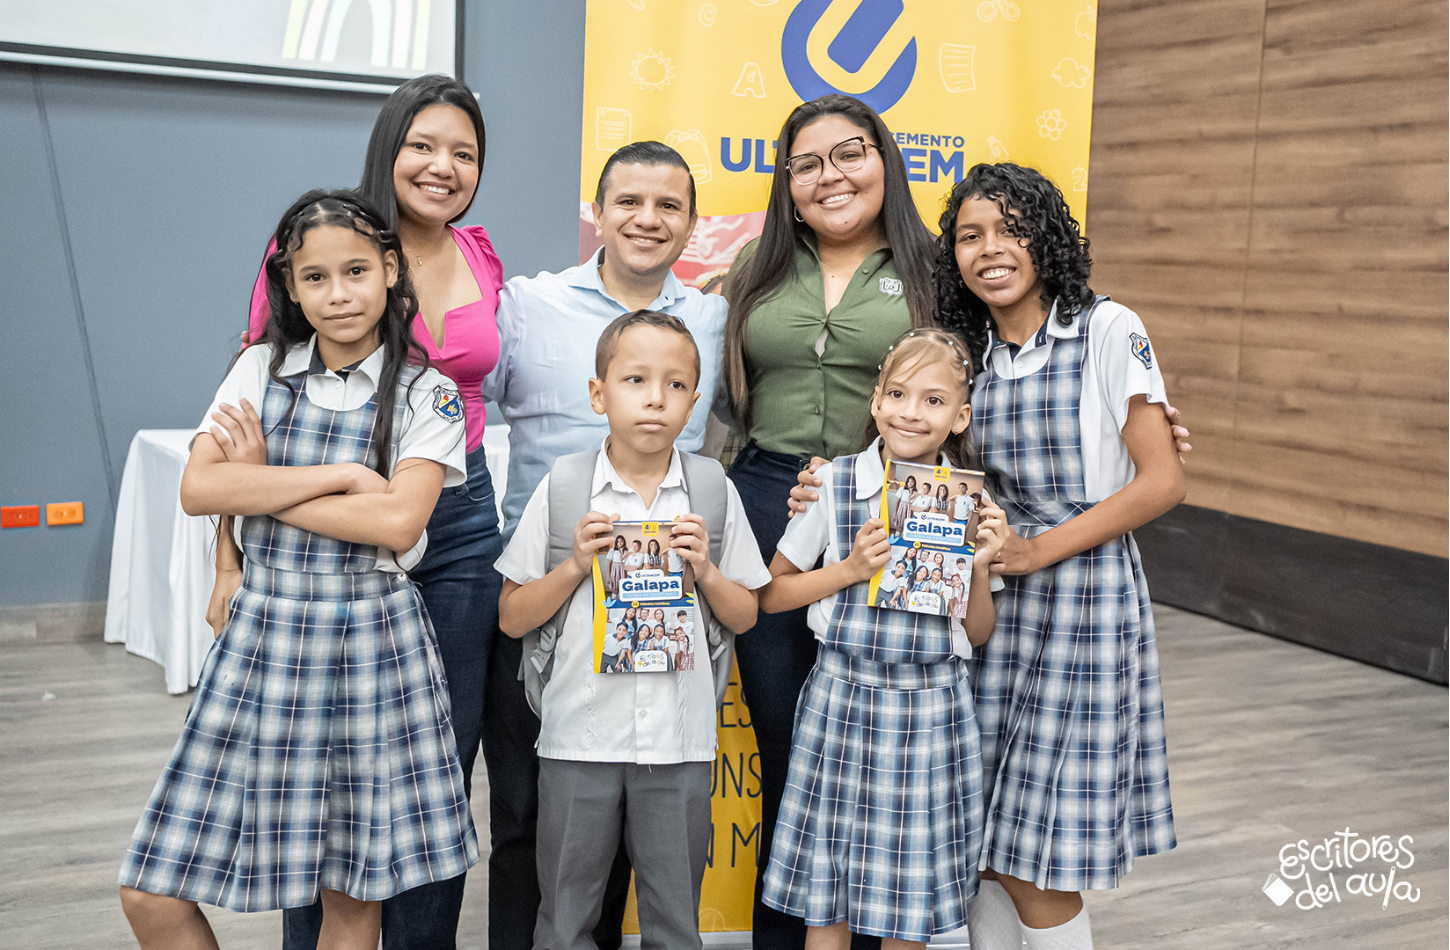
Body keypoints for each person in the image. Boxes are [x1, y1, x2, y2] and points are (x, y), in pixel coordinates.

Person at [120, 191, 476, 950]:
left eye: (355, 270)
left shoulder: (430, 393)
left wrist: (264, 485)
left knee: (351, 896)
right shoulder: (257, 368)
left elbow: (396, 522)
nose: (338, 293)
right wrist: (345, 475)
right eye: (315, 278)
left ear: (389, 270)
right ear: (290, 286)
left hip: (372, 644)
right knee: (150, 890)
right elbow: (198, 489)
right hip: (263, 638)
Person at [208, 75, 503, 950]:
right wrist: (230, 560)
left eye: (464, 153)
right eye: (423, 145)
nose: (442, 166)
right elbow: (249, 420)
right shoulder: (322, 247)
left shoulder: (481, 252)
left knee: (436, 766)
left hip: (455, 517)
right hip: (326, 511)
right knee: (323, 767)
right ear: (389, 147)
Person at [480, 141, 729, 947]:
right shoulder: (528, 306)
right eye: (629, 201)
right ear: (596, 211)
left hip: (663, 606)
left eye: (669, 206)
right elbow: (447, 392)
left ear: (692, 223)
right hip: (547, 587)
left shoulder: (713, 320)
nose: (647, 219)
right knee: (531, 815)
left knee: (640, 840)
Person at [935, 163, 1184, 950]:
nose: (991, 249)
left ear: (1048, 237)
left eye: (1012, 229)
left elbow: (1163, 481)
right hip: (991, 608)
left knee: (1040, 855)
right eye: (970, 236)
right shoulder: (967, 350)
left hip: (1083, 601)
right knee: (977, 838)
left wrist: (1038, 549)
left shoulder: (1107, 328)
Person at [718, 93, 940, 949]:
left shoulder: (934, 268)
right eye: (806, 164)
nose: (829, 176)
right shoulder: (756, 269)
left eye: (849, 154)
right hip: (768, 499)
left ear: (885, 159)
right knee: (787, 745)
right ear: (787, 183)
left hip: (892, 509)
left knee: (886, 752)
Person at [495, 310, 771, 950]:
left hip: (679, 743)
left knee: (675, 921)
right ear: (599, 393)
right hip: (578, 739)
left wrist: (705, 569)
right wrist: (573, 567)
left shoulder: (710, 491)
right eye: (635, 380)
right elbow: (512, 616)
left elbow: (745, 614)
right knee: (564, 920)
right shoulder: (566, 487)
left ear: (694, 403)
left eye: (676, 385)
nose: (655, 398)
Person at [755, 328, 1009, 947]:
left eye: (933, 400)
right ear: (874, 401)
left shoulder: (967, 502)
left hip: (931, 709)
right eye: (897, 393)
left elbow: (976, 633)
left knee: (907, 902)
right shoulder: (836, 484)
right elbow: (770, 594)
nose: (911, 412)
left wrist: (978, 568)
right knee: (829, 901)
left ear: (960, 415)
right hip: (842, 699)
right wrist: (846, 571)